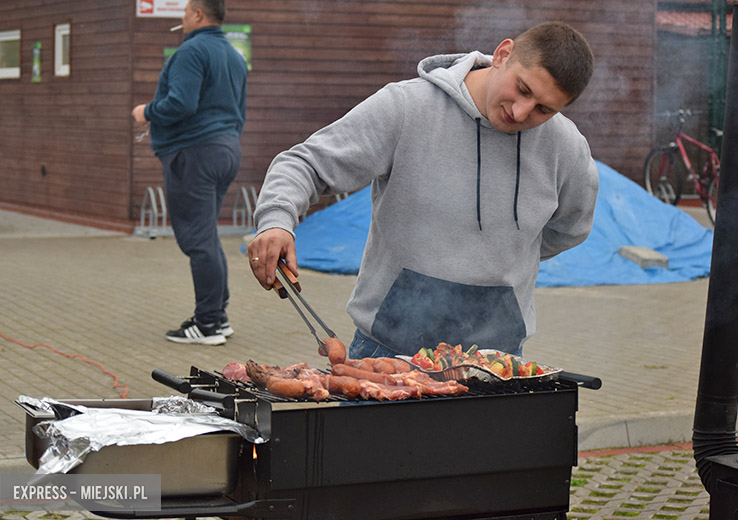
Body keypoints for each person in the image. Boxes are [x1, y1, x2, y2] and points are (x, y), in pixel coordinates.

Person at [248, 22, 598, 358]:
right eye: (522, 89)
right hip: (385, 351)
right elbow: (305, 164)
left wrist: (506, 250)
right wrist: (276, 221)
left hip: (499, 360)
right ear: (503, 54)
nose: (521, 113)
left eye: (543, 109)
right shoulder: (406, 108)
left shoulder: (566, 148)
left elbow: (570, 229)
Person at [132, 0, 247, 346]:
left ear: (198, 14)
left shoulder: (191, 52)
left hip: (194, 153)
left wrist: (146, 112)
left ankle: (207, 323)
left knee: (197, 239)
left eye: (184, 13)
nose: (181, 20)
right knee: (207, 236)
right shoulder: (234, 56)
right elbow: (238, 109)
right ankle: (218, 317)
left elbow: (181, 103)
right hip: (226, 150)